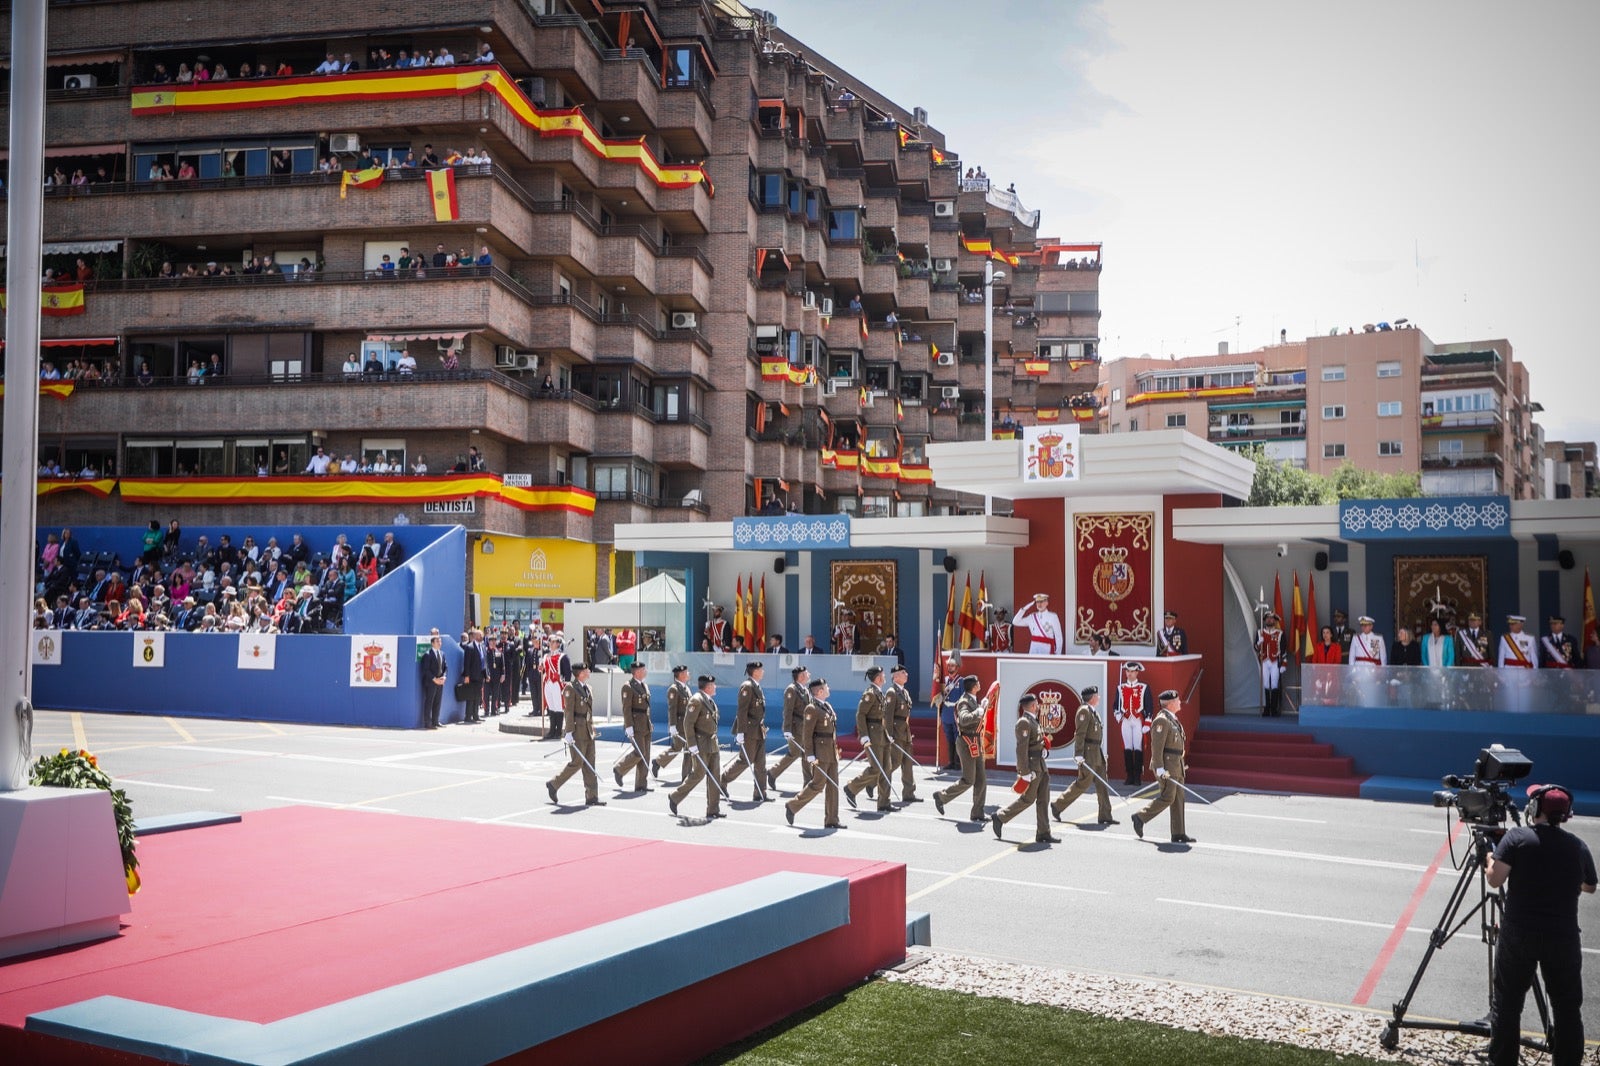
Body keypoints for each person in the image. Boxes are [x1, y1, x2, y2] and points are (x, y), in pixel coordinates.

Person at [1484, 782, 1595, 1066]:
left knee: (1507, 1004)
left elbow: (1495, 879)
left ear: (1534, 809)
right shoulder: (1577, 846)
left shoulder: (1517, 838)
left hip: (1519, 933)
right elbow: (1589, 886)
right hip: (1563, 937)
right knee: (1568, 1009)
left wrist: (1489, 857)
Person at [1131, 689, 1195, 844]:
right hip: (1167, 765)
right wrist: (1159, 767)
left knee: (1178, 799)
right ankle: (1140, 816)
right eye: (1178, 700)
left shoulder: (1172, 719)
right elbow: (1157, 746)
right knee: (1168, 797)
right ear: (1171, 703)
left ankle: (1178, 832)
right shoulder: (1162, 720)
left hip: (1177, 764)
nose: (1180, 702)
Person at [991, 694, 1058, 844]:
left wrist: (1043, 750)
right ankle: (1001, 816)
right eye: (1037, 704)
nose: (1039, 706)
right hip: (1032, 767)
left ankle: (1043, 832)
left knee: (1043, 799)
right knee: (1028, 799)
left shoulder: (1033, 721)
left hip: (1041, 765)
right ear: (1033, 705)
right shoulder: (1024, 723)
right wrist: (1024, 772)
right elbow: (1021, 750)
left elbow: (1036, 742)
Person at [784, 677, 843, 829]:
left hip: (830, 751)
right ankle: (792, 805)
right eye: (826, 687)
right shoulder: (812, 708)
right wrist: (809, 754)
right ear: (820, 691)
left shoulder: (826, 706)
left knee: (833, 785)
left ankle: (832, 819)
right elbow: (807, 733)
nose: (829, 688)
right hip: (820, 752)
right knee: (817, 784)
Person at [1052, 686, 1116, 824]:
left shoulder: (1092, 712)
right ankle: (1057, 805)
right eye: (1097, 696)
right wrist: (1079, 754)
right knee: (1083, 783)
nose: (1098, 698)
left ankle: (1105, 814)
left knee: (1102, 783)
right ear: (1092, 697)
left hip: (1096, 752)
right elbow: (1080, 734)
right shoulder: (1084, 711)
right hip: (1088, 753)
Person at [933, 675, 988, 823]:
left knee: (981, 779)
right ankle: (942, 796)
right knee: (969, 779)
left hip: (975, 740)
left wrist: (982, 707)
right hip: (966, 741)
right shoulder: (964, 701)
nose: (979, 684)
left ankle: (978, 813)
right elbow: (964, 719)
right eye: (978, 682)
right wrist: (979, 711)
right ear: (973, 686)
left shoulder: (972, 699)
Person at [668, 675, 723, 820]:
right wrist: (691, 745)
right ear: (708, 686)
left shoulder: (709, 700)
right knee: (698, 774)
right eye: (713, 685)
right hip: (700, 744)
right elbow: (688, 724)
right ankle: (675, 797)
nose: (715, 687)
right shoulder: (696, 700)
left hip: (712, 743)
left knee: (715, 776)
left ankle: (713, 809)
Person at [547, 664, 601, 806]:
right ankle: (554, 784)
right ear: (580, 673)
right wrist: (569, 732)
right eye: (586, 670)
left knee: (590, 764)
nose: (589, 672)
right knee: (577, 763)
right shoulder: (571, 688)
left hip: (588, 730)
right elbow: (569, 711)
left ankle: (592, 796)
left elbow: (588, 711)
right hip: (577, 730)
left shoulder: (588, 688)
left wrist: (592, 726)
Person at [719, 661, 769, 802]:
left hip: (758, 729)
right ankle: (722, 780)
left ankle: (760, 792)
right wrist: (740, 732)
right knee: (745, 760)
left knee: (761, 763)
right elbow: (742, 711)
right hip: (749, 731)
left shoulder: (756, 686)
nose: (763, 671)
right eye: (761, 669)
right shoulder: (747, 686)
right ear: (755, 671)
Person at [844, 666, 891, 812]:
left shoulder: (879, 692)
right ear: (878, 678)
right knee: (876, 768)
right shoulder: (870, 694)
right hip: (872, 735)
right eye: (883, 675)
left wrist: (888, 733)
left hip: (881, 734)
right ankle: (852, 787)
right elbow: (860, 715)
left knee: (886, 769)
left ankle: (884, 802)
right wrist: (863, 735)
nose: (885, 677)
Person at [610, 660, 653, 793]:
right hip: (635, 724)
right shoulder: (628, 686)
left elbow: (646, 707)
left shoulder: (644, 685)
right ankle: (620, 769)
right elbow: (626, 708)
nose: (645, 672)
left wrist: (649, 722)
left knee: (645, 755)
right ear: (637, 672)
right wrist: (628, 726)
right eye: (643, 670)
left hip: (645, 724)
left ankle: (641, 784)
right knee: (639, 752)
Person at [767, 665, 812, 791]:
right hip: (795, 727)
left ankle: (808, 782)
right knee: (794, 753)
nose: (808, 674)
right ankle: (772, 773)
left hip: (804, 727)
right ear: (801, 676)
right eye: (806, 673)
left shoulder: (805, 690)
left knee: (807, 753)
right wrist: (787, 729)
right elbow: (788, 710)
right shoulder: (792, 690)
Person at [651, 664, 694, 781]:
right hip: (679, 724)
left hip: (687, 724)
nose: (688, 674)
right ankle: (657, 762)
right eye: (686, 672)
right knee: (677, 747)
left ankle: (686, 775)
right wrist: (672, 726)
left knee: (689, 749)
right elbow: (672, 708)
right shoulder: (674, 689)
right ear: (680, 675)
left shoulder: (686, 688)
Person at [884, 664, 918, 802]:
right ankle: (873, 782)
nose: (906, 674)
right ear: (895, 676)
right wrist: (889, 734)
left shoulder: (905, 692)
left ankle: (909, 793)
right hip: (896, 732)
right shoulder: (892, 692)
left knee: (908, 762)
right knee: (895, 762)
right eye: (903, 672)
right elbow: (888, 716)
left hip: (905, 731)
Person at [1116, 661, 1150, 784]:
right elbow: (1116, 705)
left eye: (1132, 672)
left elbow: (1149, 706)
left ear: (1137, 672)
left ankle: (1137, 776)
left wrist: (1147, 722)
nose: (1129, 674)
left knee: (1138, 747)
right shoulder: (1120, 688)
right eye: (1127, 671)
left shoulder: (1143, 687)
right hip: (1125, 720)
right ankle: (1129, 775)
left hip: (1138, 720)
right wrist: (1117, 713)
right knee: (1128, 747)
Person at [1256, 612, 1286, 716]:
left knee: (1274, 684)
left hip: (1275, 661)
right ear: (1264, 620)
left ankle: (1274, 708)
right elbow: (1256, 648)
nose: (1269, 620)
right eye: (1267, 618)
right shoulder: (1260, 632)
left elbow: (1283, 649)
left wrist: (1284, 664)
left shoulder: (1280, 633)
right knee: (1265, 684)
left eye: (1272, 618)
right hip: (1264, 661)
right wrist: (1259, 643)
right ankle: (1266, 708)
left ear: (1275, 620)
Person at [419, 629, 446, 729]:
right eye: (438, 641)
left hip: (440, 681)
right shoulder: (427, 654)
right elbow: (425, 670)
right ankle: (428, 722)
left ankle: (435, 721)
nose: (440, 643)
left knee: (437, 702)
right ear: (432, 643)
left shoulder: (442, 653)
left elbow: (445, 667)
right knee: (429, 702)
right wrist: (434, 679)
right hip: (431, 682)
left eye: (440, 641)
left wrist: (444, 676)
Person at [458, 628, 485, 723]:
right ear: (475, 636)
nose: (481, 637)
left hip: (480, 676)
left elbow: (483, 662)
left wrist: (486, 674)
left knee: (477, 696)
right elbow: (467, 663)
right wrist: (467, 676)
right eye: (479, 635)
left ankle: (476, 715)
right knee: (470, 696)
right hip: (472, 676)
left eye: (482, 635)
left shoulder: (482, 646)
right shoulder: (469, 647)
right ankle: (468, 716)